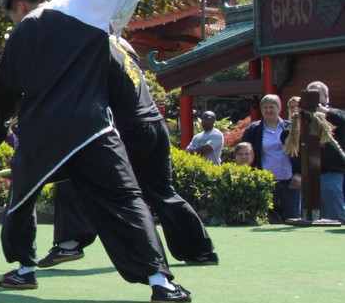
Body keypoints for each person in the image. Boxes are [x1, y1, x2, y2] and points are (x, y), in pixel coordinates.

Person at [0, 0, 187, 303]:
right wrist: (116, 26)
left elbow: (5, 88)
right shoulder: (86, 2)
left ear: (21, 7)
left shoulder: (25, 28)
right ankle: (160, 282)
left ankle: (24, 270)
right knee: (125, 200)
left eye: (12, 15)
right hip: (93, 130)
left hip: (42, 133)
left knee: (21, 198)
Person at [41, 35, 217, 268]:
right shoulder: (121, 44)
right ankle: (200, 250)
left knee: (75, 171)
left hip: (130, 128)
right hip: (155, 125)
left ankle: (69, 243)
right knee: (162, 190)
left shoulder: (87, 46)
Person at [239, 94, 300, 223]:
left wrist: (299, 174)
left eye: (271, 107)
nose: (268, 110)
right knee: (269, 219)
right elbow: (244, 151)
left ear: (279, 108)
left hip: (290, 182)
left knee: (293, 219)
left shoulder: (290, 127)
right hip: (266, 182)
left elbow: (300, 152)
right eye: (265, 107)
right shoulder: (254, 129)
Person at [305, 81, 345, 222]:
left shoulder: (336, 114)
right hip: (310, 174)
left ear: (326, 96)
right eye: (309, 95)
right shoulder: (304, 117)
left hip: (332, 172)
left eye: (316, 94)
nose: (312, 98)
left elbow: (342, 119)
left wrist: (323, 111)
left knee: (336, 216)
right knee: (314, 217)